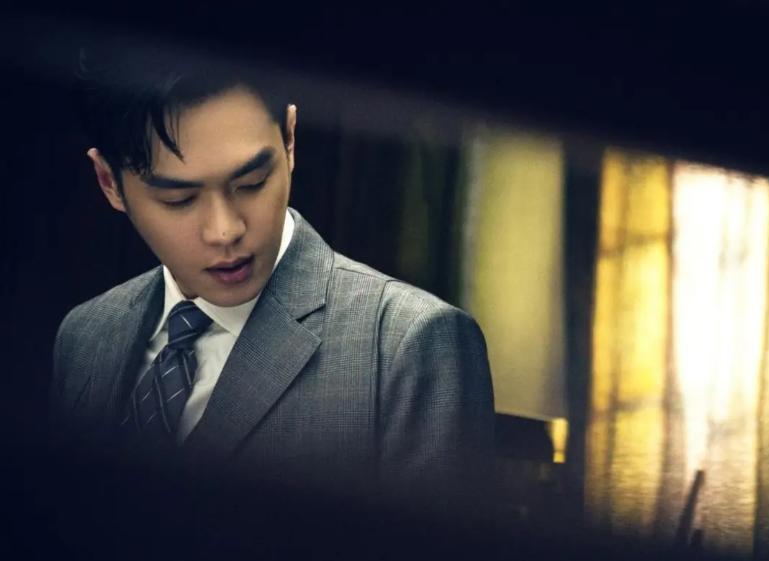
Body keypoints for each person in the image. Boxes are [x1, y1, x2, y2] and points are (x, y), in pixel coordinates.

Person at [49, 41, 495, 520]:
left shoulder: (408, 347)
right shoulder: (85, 335)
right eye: (179, 200)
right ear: (109, 183)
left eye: (251, 183)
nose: (225, 231)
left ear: (290, 139)